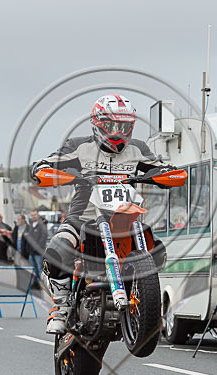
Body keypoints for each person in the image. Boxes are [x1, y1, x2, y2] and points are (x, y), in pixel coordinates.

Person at [30, 93, 170, 334]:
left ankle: (141, 297)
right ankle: (60, 307)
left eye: (124, 126)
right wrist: (44, 170)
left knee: (157, 250)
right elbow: (47, 163)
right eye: (112, 126)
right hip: (84, 217)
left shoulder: (138, 148)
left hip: (125, 218)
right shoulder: (78, 146)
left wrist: (169, 174)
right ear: (98, 125)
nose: (118, 132)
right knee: (58, 248)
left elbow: (161, 168)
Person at [26, 210, 47, 285]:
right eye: (32, 215)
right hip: (31, 252)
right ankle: (35, 284)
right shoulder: (30, 225)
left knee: (40, 269)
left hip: (38, 252)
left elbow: (43, 237)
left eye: (34, 215)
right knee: (32, 269)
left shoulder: (42, 225)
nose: (33, 217)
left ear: (38, 215)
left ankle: (43, 285)